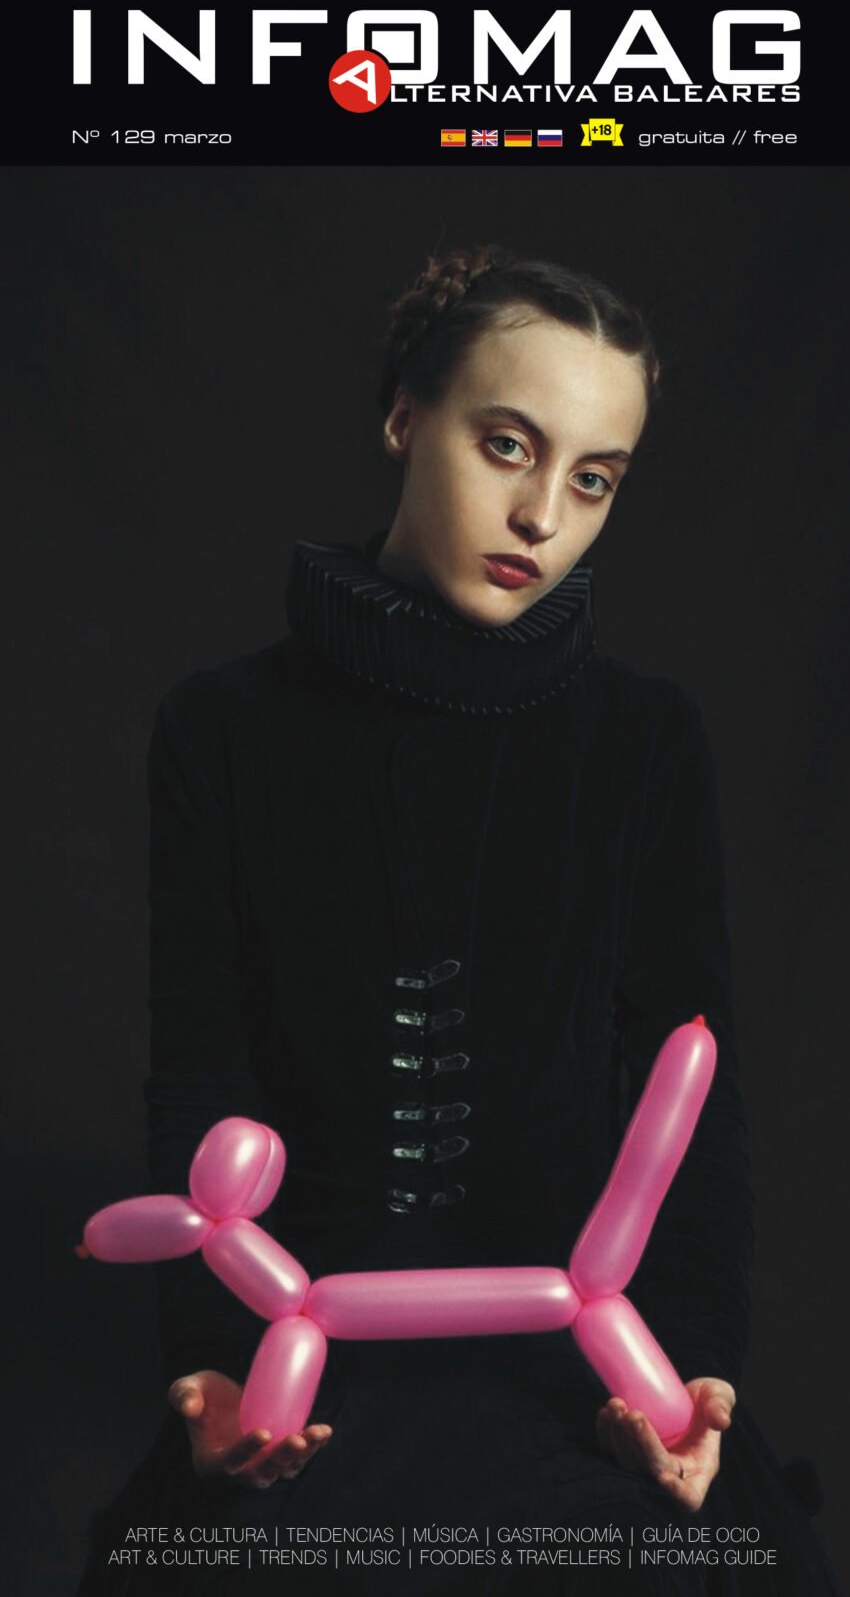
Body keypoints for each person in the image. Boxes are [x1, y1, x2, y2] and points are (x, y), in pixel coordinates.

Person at [77, 246, 840, 1594]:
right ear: (401, 417)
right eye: (506, 445)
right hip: (301, 1343)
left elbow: (689, 1096)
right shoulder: (220, 728)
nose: (541, 515)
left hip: (586, 1357)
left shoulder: (647, 738)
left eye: (593, 478)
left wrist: (694, 1370)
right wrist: (208, 1355)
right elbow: (200, 1068)